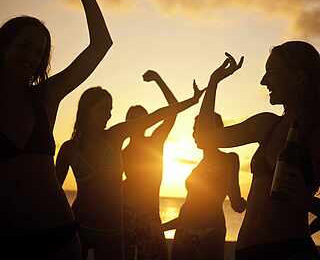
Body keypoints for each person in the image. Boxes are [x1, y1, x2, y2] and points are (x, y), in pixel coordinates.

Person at [0, 0, 113, 259]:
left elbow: (101, 44)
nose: (31, 56)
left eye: (39, 52)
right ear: (3, 47)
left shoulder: (46, 97)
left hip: (59, 236)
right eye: (23, 46)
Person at [196, 44, 320, 259]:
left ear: (299, 77)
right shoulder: (266, 125)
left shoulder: (316, 133)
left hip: (288, 252)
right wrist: (214, 82)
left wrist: (307, 201)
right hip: (248, 253)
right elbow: (205, 137)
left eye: (271, 73)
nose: (263, 81)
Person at [55, 81, 204, 260]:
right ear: (87, 110)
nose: (109, 115)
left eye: (110, 110)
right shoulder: (69, 149)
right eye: (104, 109)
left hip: (113, 229)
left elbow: (157, 116)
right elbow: (53, 191)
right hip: (80, 226)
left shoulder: (115, 136)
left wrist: (192, 101)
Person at [162, 112, 246, 260]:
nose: (193, 134)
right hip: (184, 234)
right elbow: (189, 210)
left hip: (208, 236)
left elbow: (237, 205)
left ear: (210, 131)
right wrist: (162, 228)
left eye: (196, 129)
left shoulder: (229, 159)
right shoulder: (199, 167)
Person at [122, 70, 178, 260]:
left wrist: (158, 79)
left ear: (147, 122)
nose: (137, 124)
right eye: (133, 119)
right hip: (126, 220)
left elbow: (174, 109)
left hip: (150, 220)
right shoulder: (121, 153)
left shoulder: (154, 142)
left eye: (141, 119)